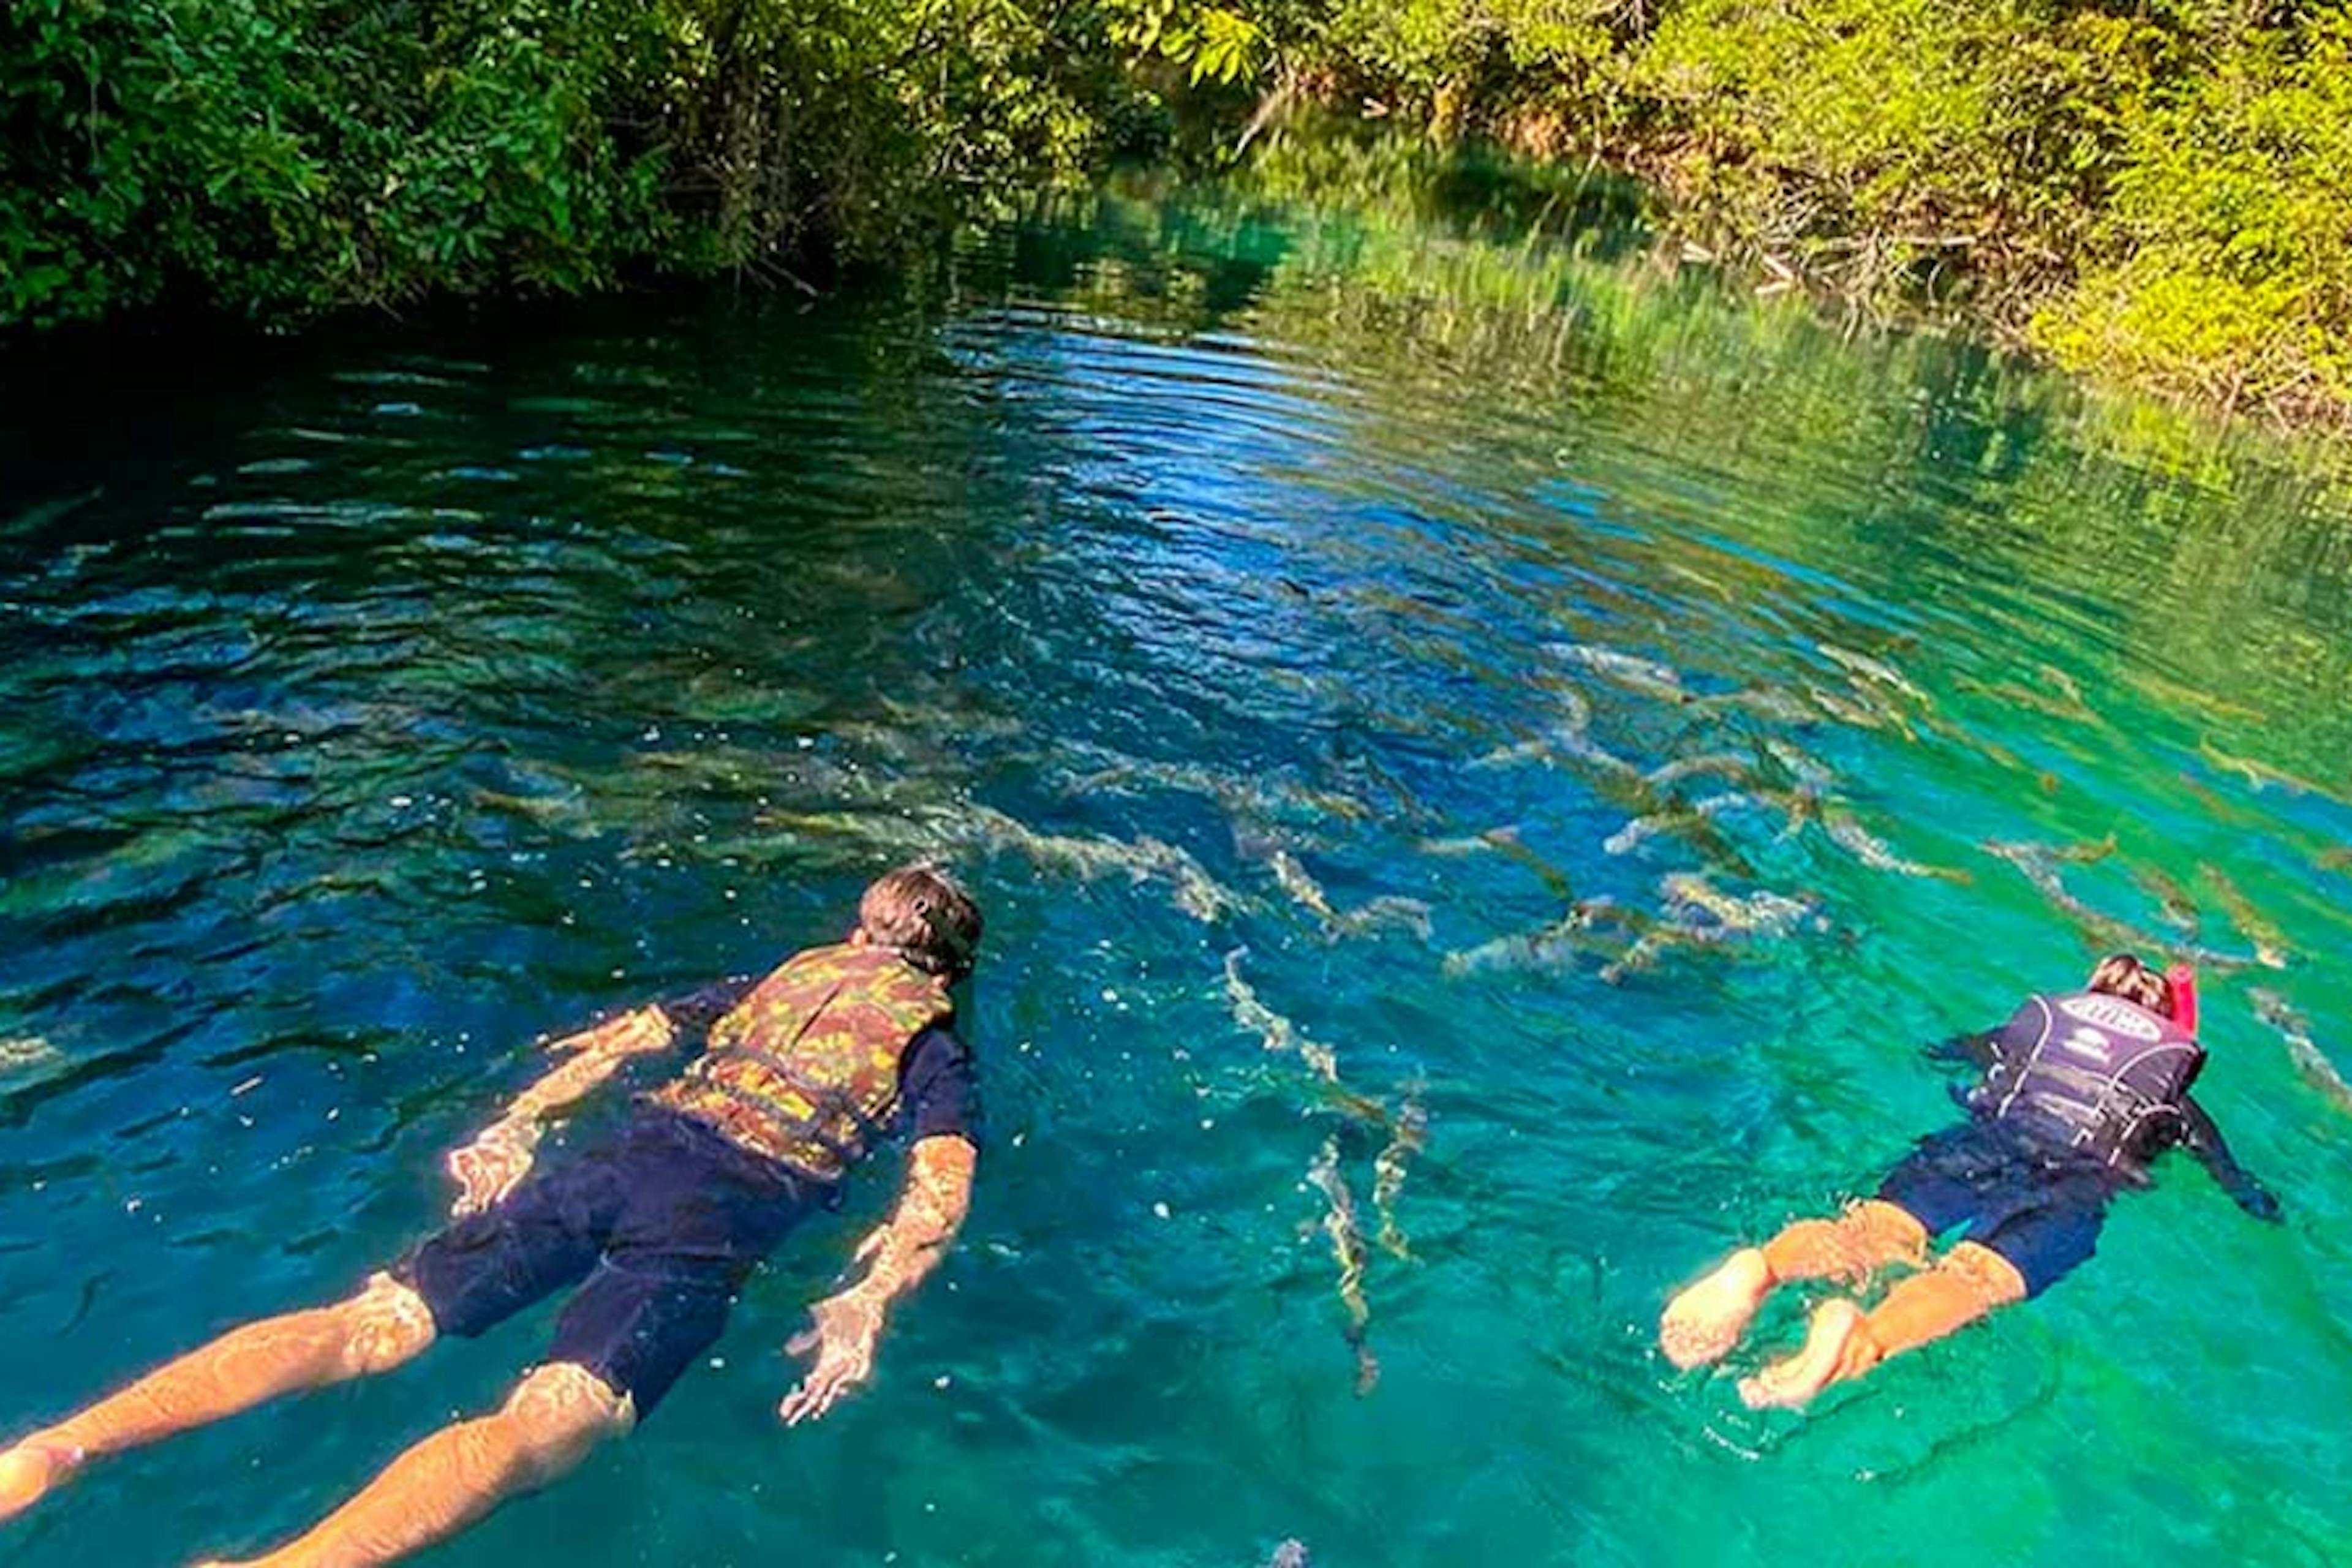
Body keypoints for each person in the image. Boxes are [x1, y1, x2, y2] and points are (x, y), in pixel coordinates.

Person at [0, 862, 985, 1566]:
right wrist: (871, 1300)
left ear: (861, 934)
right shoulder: (935, 1047)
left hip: (623, 1156)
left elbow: (620, 1039)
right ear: (948, 973)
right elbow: (939, 1184)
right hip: (728, 1206)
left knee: (368, 1327)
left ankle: (55, 1449)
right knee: (555, 1418)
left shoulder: (773, 983)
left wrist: (514, 1124)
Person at [1660, 952, 2280, 1409]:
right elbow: (2228, 1174)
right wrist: (2256, 1202)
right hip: (2077, 1178)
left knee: (1877, 1229)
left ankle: (1762, 1267)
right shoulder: (2176, 1103)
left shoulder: (2035, 1031)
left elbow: (1952, 1050)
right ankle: (1863, 1339)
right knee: (1973, 1277)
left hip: (1986, 1140)